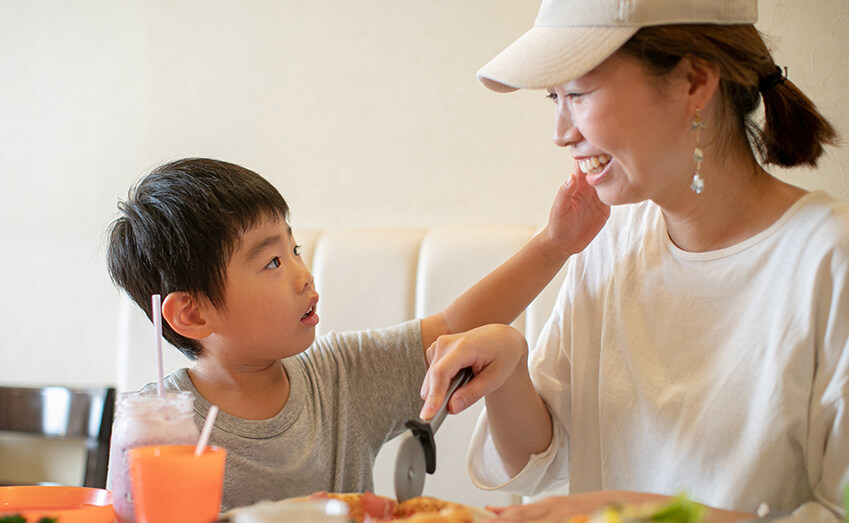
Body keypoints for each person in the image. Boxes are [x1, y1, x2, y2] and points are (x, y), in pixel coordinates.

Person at [417, 0, 847, 522]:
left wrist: (630, 510)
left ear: (694, 82)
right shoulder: (610, 239)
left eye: (576, 93)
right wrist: (508, 367)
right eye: (554, 97)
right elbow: (539, 461)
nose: (560, 131)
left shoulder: (830, 260)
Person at [105, 157, 607, 511]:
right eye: (273, 262)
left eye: (295, 250)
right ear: (191, 316)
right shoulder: (155, 428)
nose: (303, 275)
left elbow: (454, 329)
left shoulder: (341, 376)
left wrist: (555, 244)